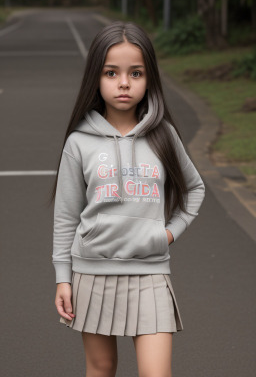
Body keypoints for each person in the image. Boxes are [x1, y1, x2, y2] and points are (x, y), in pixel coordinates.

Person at [50, 21, 205, 377]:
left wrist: (166, 234)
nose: (124, 83)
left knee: (156, 373)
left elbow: (195, 189)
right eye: (111, 72)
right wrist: (63, 277)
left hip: (150, 272)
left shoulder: (163, 134)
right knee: (102, 369)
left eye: (136, 73)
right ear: (96, 77)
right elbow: (66, 216)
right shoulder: (79, 142)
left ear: (149, 78)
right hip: (92, 273)